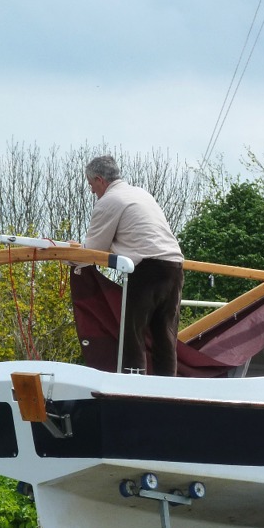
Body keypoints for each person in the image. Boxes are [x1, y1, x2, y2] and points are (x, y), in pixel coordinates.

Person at [83, 154, 184, 376]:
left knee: (132, 333)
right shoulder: (141, 194)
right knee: (164, 335)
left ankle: (133, 384)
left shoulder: (109, 202)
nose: (92, 191)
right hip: (174, 267)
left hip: (148, 269)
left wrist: (69, 256)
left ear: (100, 180)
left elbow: (94, 250)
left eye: (91, 184)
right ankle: (167, 388)